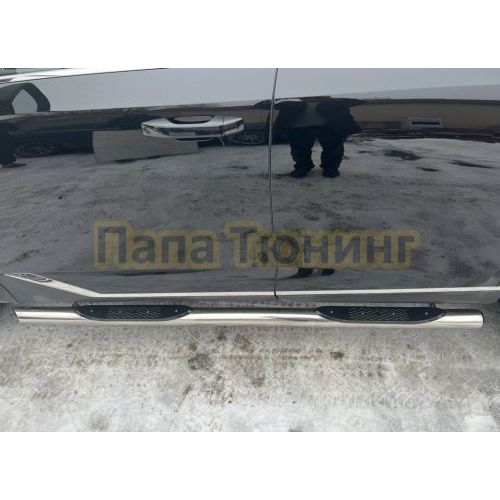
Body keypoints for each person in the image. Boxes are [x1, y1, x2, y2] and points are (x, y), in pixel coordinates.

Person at [274, 98, 361, 178]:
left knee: (333, 147)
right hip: (298, 124)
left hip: (330, 122)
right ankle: (302, 167)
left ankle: (330, 168)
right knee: (299, 149)